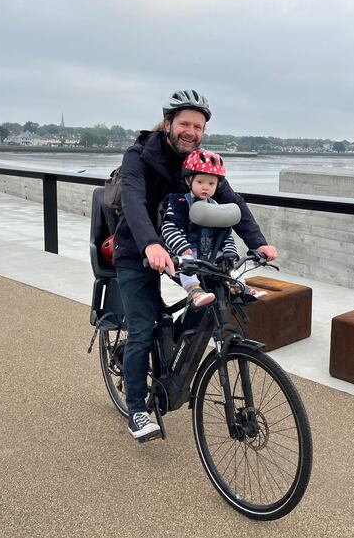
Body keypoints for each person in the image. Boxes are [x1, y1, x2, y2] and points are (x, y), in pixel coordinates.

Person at [112, 89, 277, 441]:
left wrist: (258, 241)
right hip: (138, 250)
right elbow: (134, 203)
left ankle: (173, 357)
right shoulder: (139, 156)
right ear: (168, 123)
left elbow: (232, 202)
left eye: (198, 127)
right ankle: (138, 409)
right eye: (185, 123)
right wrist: (151, 243)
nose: (191, 131)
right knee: (143, 327)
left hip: (187, 250)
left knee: (212, 295)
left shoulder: (200, 163)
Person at [160, 148, 267, 308]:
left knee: (229, 266)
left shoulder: (216, 206)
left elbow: (225, 232)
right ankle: (194, 291)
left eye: (211, 183)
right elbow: (169, 227)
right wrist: (182, 247)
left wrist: (231, 252)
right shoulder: (179, 202)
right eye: (200, 182)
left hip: (210, 252)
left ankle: (240, 286)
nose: (205, 187)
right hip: (186, 251)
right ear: (189, 181)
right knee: (187, 266)